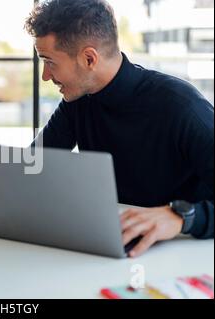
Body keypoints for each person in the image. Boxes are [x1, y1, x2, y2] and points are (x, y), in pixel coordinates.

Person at [25, 0, 214, 257]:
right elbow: (32, 166)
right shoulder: (79, 99)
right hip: (111, 249)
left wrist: (182, 218)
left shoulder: (182, 106)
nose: (46, 75)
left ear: (89, 58)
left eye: (50, 62)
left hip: (183, 254)